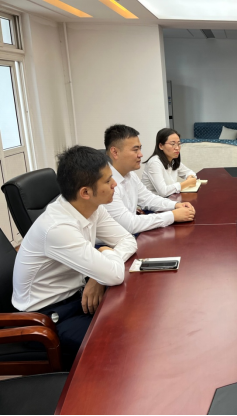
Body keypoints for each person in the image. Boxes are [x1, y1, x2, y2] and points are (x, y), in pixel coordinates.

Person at [12, 146, 138, 360]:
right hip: (46, 318)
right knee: (121, 344)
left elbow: (128, 240)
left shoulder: (92, 208)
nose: (115, 184)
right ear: (85, 192)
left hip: (76, 298)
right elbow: (114, 275)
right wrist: (104, 262)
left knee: (137, 315)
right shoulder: (57, 228)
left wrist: (98, 275)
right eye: (108, 181)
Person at [104, 124, 196, 235]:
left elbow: (148, 199)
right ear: (115, 152)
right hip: (115, 240)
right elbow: (129, 225)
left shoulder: (130, 175)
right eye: (135, 150)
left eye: (140, 149)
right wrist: (172, 216)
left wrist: (175, 205)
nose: (140, 154)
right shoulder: (104, 183)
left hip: (129, 234)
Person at [142, 128, 197, 197]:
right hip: (153, 201)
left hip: (169, 199)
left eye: (179, 144)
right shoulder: (154, 163)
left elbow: (189, 172)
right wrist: (187, 183)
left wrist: (190, 177)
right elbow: (163, 192)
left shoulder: (172, 160)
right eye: (173, 144)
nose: (177, 148)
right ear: (161, 146)